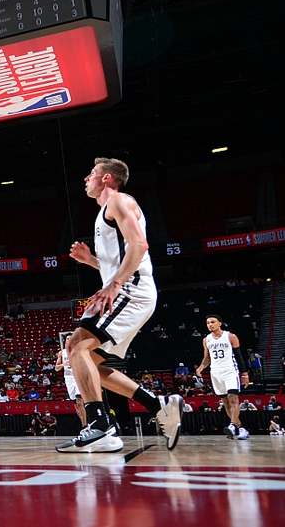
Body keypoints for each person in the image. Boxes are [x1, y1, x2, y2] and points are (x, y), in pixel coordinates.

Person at [58, 158, 183, 453]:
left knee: (76, 346)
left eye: (91, 174)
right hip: (128, 288)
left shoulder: (118, 200)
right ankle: (159, 406)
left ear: (106, 178)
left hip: (131, 289)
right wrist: (91, 261)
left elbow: (139, 245)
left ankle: (101, 426)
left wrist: (113, 286)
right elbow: (120, 259)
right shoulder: (106, 212)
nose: (86, 179)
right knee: (88, 364)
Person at [196, 314, 251, 440]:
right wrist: (201, 367)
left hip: (230, 370)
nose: (210, 324)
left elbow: (239, 356)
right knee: (225, 402)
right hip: (215, 372)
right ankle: (241, 428)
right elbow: (207, 358)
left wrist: (245, 374)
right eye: (208, 323)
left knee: (233, 399)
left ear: (220, 323)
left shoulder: (230, 336)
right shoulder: (206, 339)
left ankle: (232, 425)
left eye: (212, 322)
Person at [55, 331, 87, 430]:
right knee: (76, 406)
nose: (69, 340)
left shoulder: (79, 350)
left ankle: (85, 426)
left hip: (78, 376)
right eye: (68, 339)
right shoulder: (62, 353)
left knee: (79, 401)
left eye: (71, 338)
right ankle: (84, 423)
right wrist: (62, 365)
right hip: (68, 378)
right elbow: (56, 368)